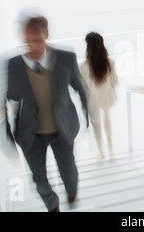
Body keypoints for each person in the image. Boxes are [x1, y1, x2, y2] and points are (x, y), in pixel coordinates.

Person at [5, 16, 88, 212]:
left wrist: (86, 117)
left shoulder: (66, 57)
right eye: (27, 41)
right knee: (39, 179)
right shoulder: (14, 64)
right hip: (29, 133)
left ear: (46, 34)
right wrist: (8, 135)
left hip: (63, 129)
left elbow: (79, 88)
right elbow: (8, 99)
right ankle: (53, 205)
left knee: (68, 172)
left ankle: (72, 192)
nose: (32, 46)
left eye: (37, 40)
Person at [80, 32, 119, 160]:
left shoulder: (83, 66)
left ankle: (101, 152)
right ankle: (110, 142)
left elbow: (83, 86)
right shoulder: (110, 62)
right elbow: (115, 81)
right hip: (107, 95)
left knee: (96, 123)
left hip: (92, 98)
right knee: (107, 116)